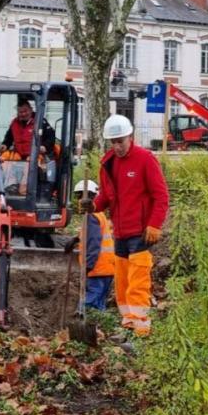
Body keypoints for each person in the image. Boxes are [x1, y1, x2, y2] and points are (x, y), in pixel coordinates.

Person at [80, 115, 169, 336]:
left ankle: (140, 330)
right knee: (122, 281)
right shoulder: (108, 163)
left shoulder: (145, 159)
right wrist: (92, 206)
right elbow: (107, 197)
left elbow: (161, 196)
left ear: (131, 137)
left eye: (121, 140)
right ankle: (128, 323)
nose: (117, 146)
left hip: (140, 232)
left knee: (137, 281)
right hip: (120, 232)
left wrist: (154, 225)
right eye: (114, 142)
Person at [69, 180, 115, 310]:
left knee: (88, 305)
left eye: (81, 196)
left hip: (98, 269)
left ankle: (79, 324)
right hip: (106, 267)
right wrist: (76, 239)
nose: (79, 200)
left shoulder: (91, 215)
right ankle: (99, 328)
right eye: (78, 196)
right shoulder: (98, 214)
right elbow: (90, 235)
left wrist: (88, 266)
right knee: (99, 304)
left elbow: (94, 243)